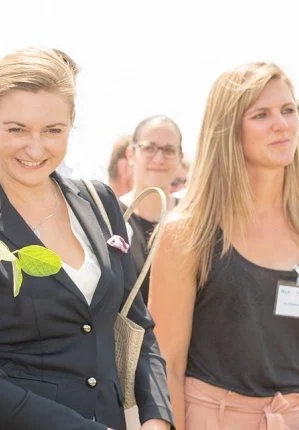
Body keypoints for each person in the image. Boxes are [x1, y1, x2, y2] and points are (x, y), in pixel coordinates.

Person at [0, 47, 173, 430]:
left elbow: (137, 325)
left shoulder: (100, 202)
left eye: (53, 130)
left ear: (70, 124)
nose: (35, 147)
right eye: (16, 129)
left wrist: (157, 417)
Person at [149, 62, 299, 429]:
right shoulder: (188, 233)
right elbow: (167, 362)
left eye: (288, 110)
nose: (281, 124)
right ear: (229, 129)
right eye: (261, 115)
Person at [119, 115, 182, 304]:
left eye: (168, 150)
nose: (159, 158)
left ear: (180, 157)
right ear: (131, 155)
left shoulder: (191, 219)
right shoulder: (110, 216)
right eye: (149, 148)